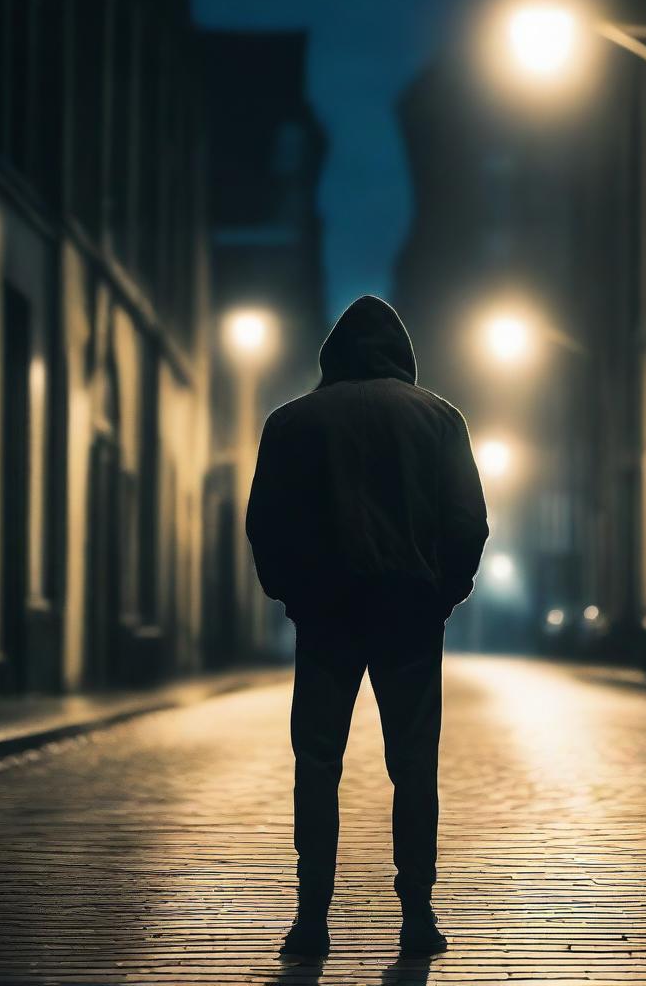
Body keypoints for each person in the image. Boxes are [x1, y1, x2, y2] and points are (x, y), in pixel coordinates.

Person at [246, 295, 489, 959]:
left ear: (333, 355)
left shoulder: (291, 423)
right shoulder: (440, 420)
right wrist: (443, 594)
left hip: (326, 614)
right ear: (402, 356)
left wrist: (293, 594)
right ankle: (417, 914)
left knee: (317, 761)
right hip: (408, 614)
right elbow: (467, 522)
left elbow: (265, 524)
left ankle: (311, 919)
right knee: (413, 766)